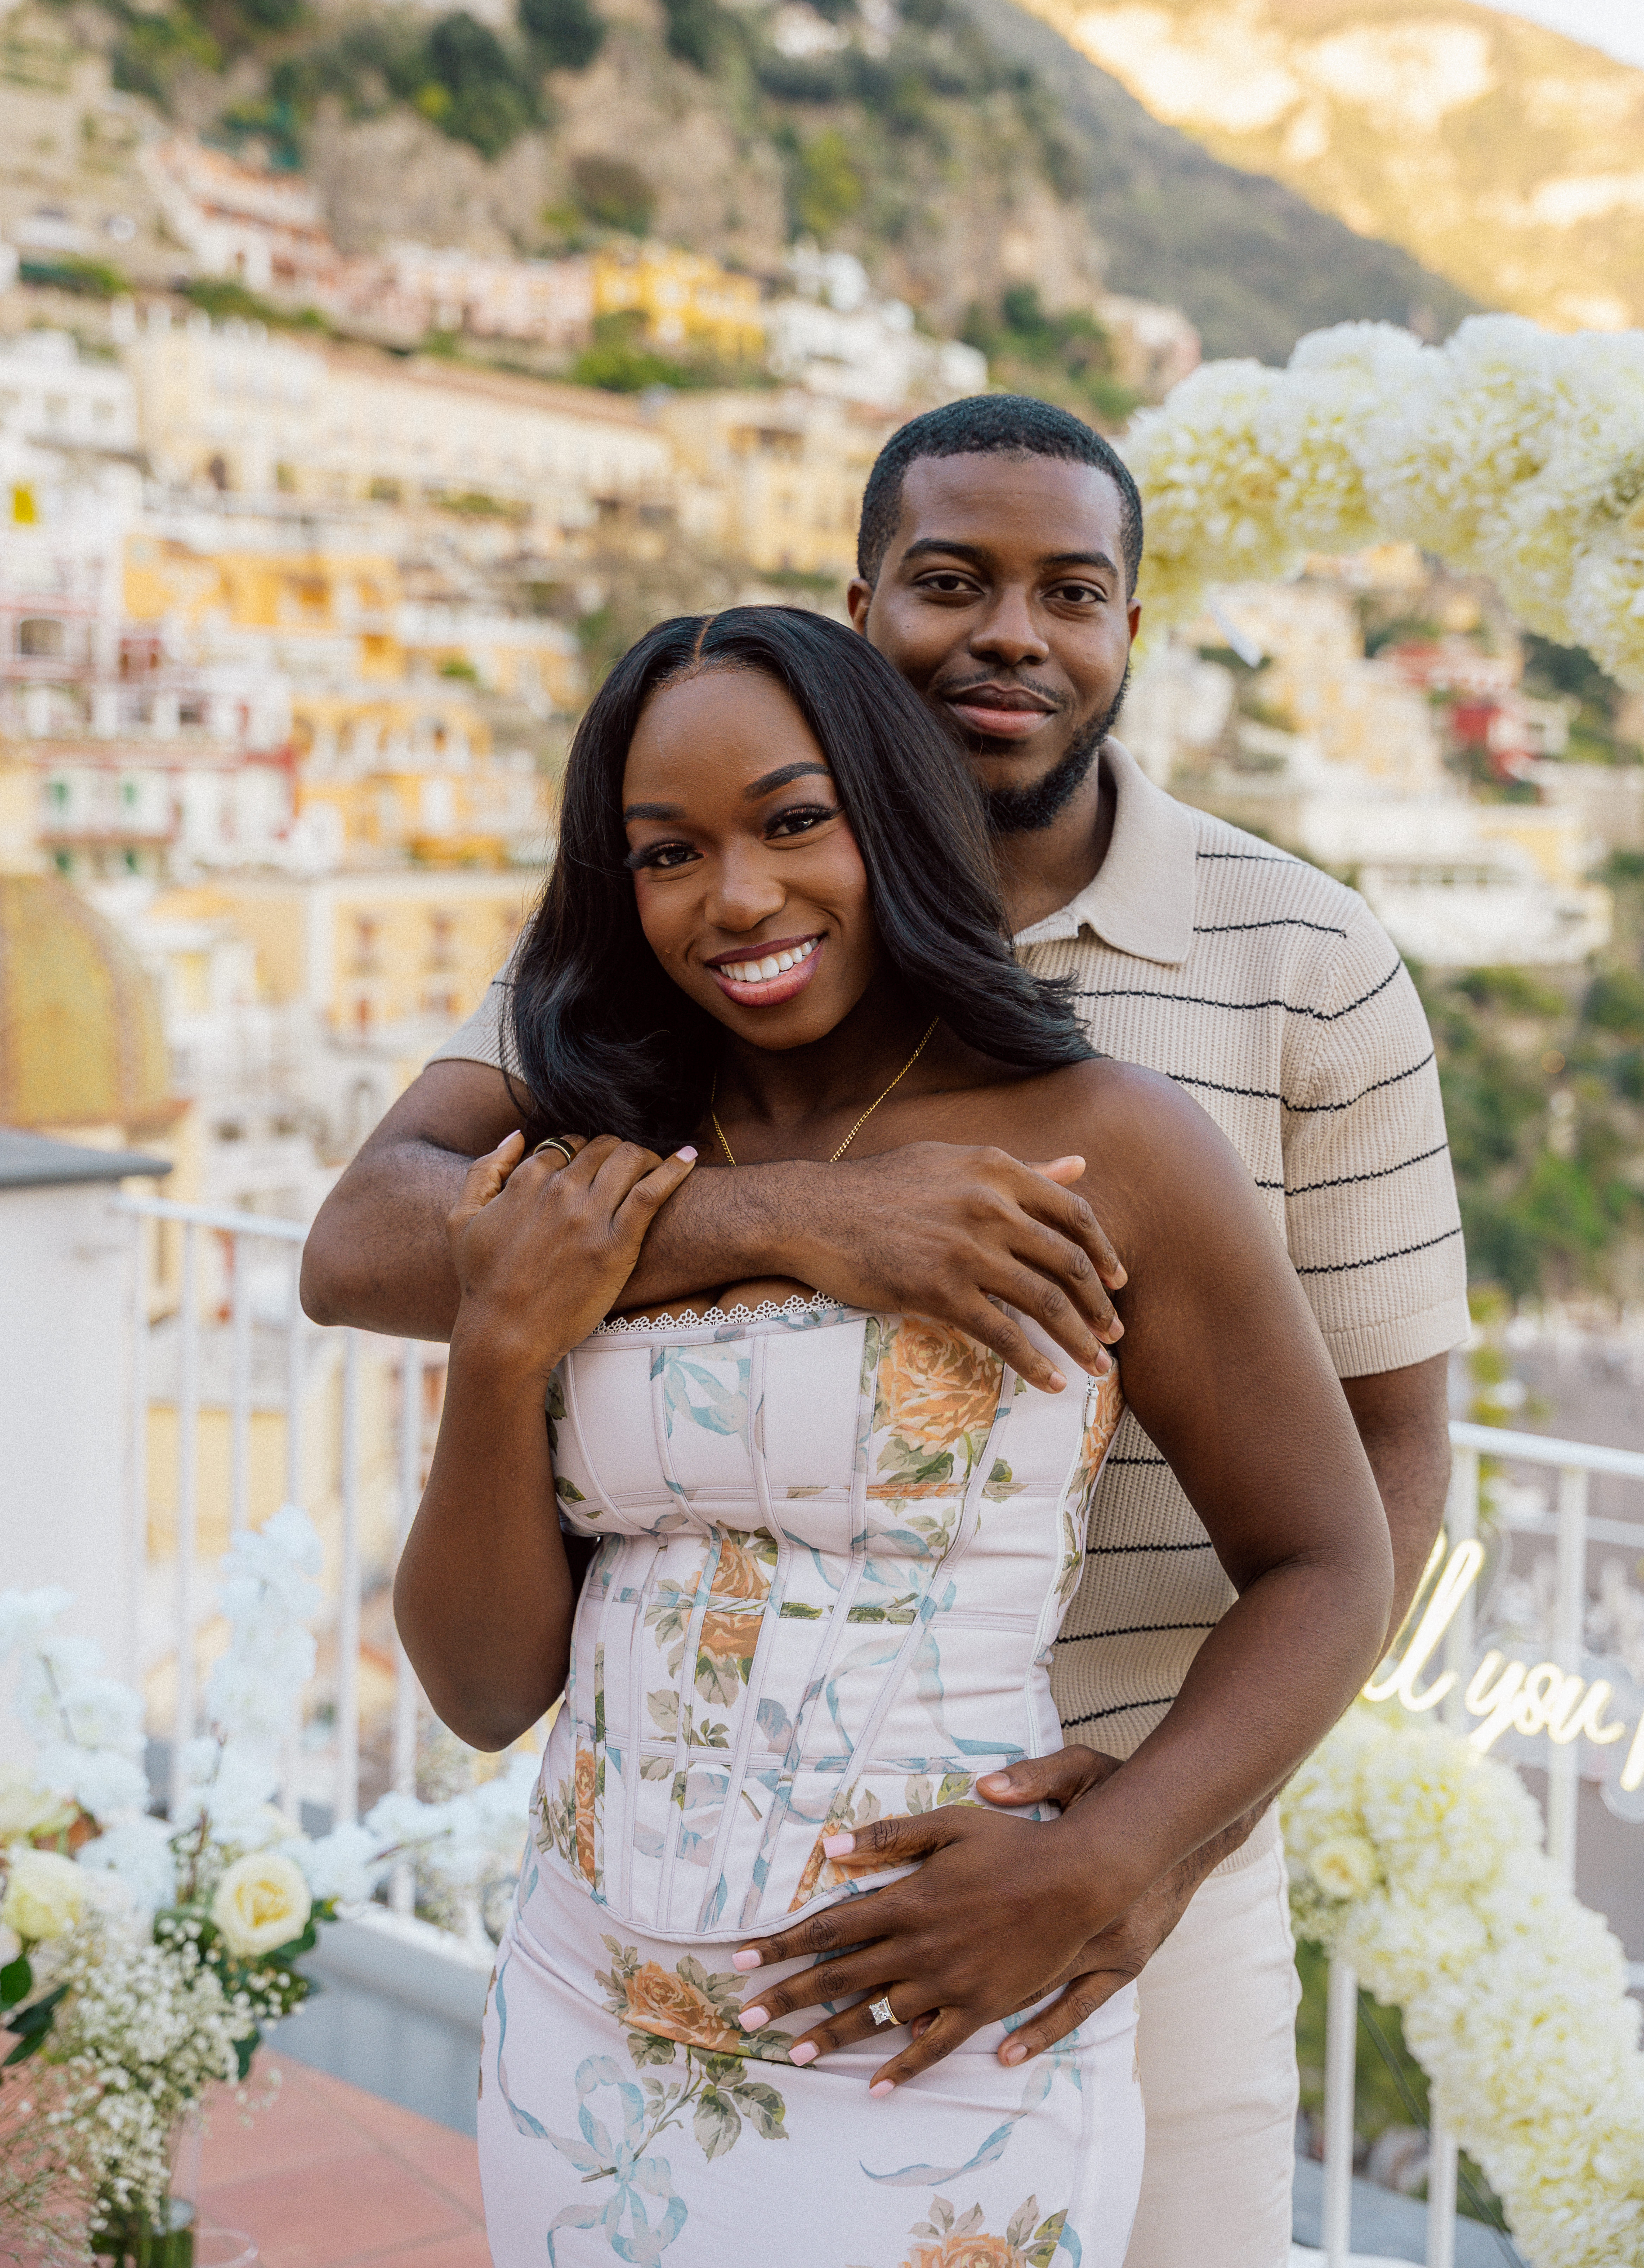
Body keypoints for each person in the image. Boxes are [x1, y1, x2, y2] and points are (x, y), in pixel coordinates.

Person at [304, 397, 1469, 2268]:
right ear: (866, 618)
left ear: (1131, 627)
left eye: (1067, 590)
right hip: (604, 1983)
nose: (738, 892)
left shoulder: (1270, 992)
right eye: (950, 581)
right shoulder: (625, 1053)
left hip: (1095, 1851)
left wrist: (1143, 1845)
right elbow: (373, 1261)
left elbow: (1369, 1486)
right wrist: (765, 1227)